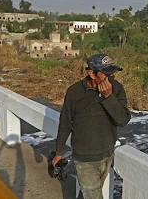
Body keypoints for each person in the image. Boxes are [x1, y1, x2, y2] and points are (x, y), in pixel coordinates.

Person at [53, 53, 131, 198]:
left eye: (113, 73)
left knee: (88, 193)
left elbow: (123, 120)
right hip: (84, 158)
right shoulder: (74, 92)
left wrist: (109, 97)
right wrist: (59, 151)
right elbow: (65, 122)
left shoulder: (117, 88)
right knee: (93, 195)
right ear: (91, 73)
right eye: (107, 73)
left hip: (107, 154)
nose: (111, 76)